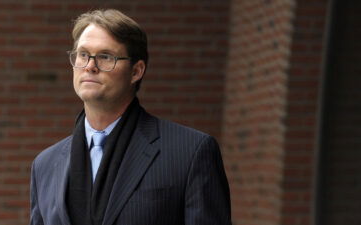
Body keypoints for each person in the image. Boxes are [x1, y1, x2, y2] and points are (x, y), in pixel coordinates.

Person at [29, 9, 231, 225]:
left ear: (136, 71)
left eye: (105, 57)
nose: (90, 66)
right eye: (83, 54)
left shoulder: (191, 152)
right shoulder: (44, 165)